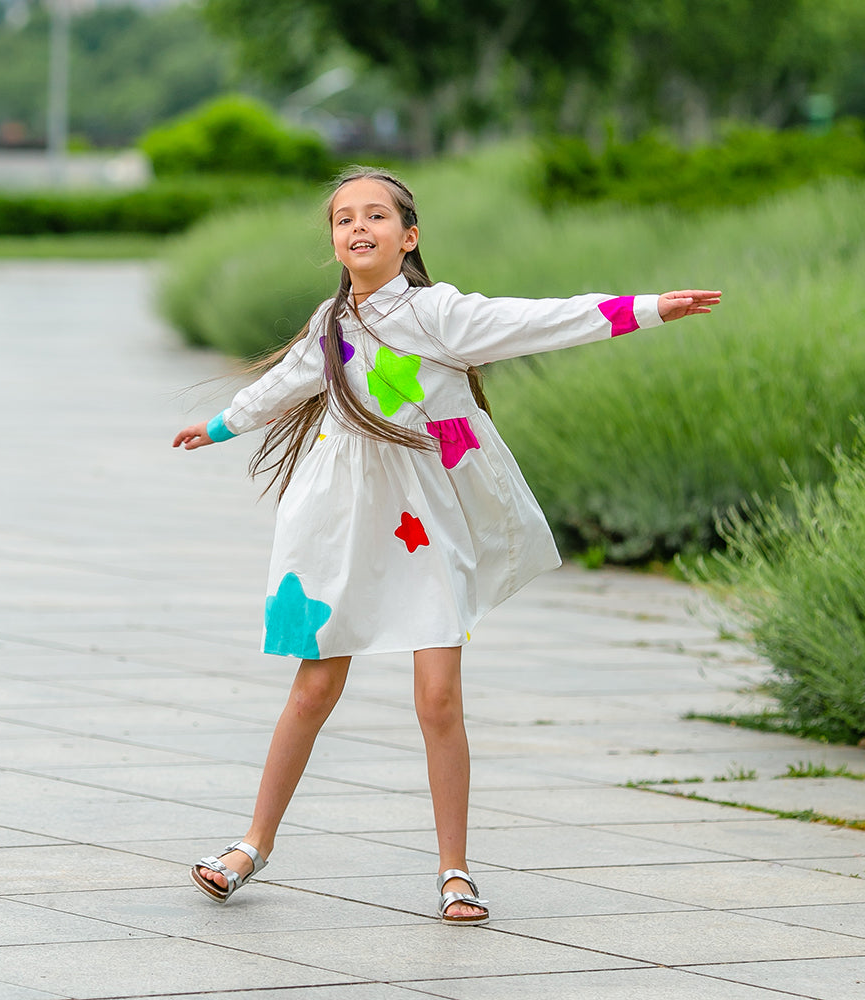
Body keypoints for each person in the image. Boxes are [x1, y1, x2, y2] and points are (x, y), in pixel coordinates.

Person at [173, 166, 721, 924]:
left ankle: (455, 871)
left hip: (423, 521)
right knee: (313, 686)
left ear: (410, 235)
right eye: (343, 219)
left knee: (437, 697)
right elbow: (283, 387)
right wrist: (221, 425)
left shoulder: (440, 314)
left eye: (376, 216)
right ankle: (251, 845)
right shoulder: (329, 324)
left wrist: (647, 309)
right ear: (334, 239)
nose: (358, 228)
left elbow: (540, 320)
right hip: (340, 520)